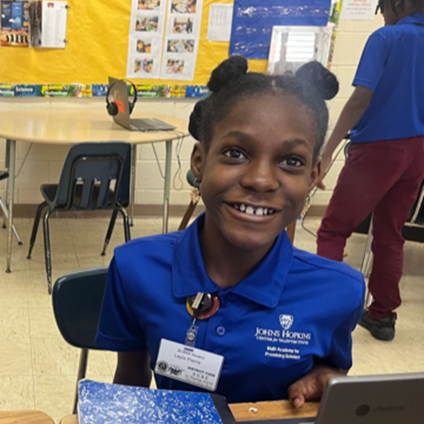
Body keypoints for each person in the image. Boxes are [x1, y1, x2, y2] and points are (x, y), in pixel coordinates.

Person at [95, 56, 365, 407]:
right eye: (236, 153)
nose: (260, 180)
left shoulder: (340, 290)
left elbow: (331, 374)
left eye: (291, 161)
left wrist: (329, 382)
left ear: (313, 176)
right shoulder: (135, 267)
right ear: (199, 161)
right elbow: (131, 383)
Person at [316, 0, 424, 342]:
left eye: (383, 8)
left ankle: (326, 312)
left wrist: (327, 150)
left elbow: (360, 100)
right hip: (418, 149)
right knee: (391, 233)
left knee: (334, 229)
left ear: (400, 3)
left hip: (379, 147)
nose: (383, 16)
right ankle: (382, 315)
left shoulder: (387, 38)